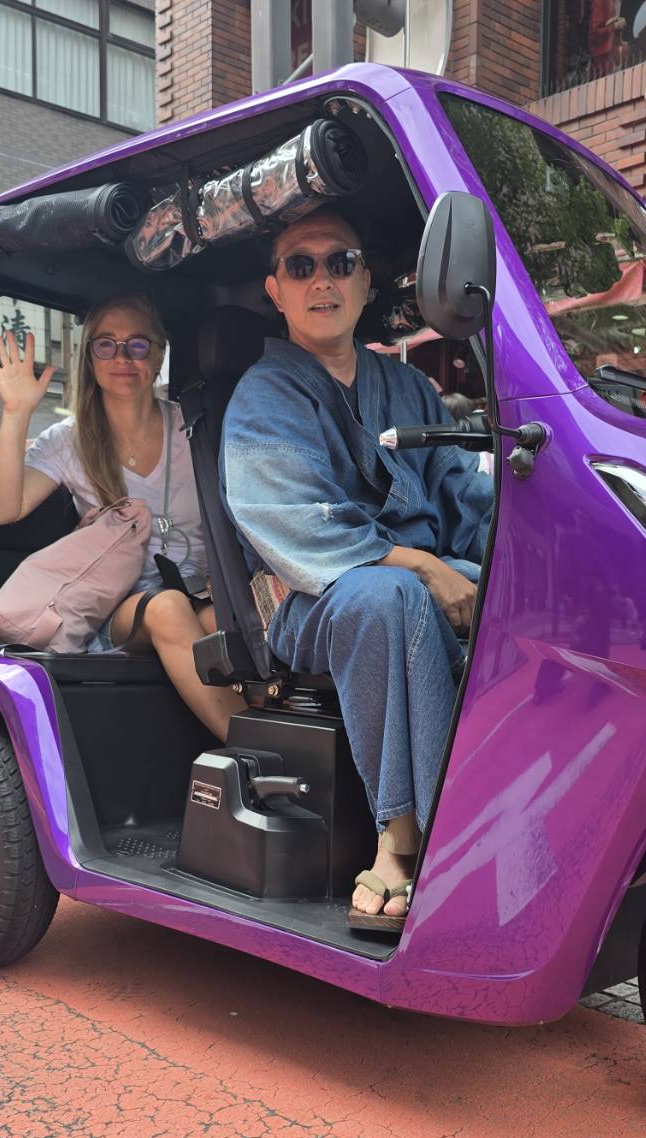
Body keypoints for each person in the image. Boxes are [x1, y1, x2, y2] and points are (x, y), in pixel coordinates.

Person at [221, 210, 493, 930]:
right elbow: (296, 525)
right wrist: (429, 566)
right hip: (314, 596)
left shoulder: (410, 390)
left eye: (340, 262)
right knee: (388, 594)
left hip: (419, 578)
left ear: (366, 281)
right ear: (276, 290)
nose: (323, 280)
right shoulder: (261, 397)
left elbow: (466, 493)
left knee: (520, 595)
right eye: (301, 266)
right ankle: (402, 839)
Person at [0, 293, 244, 741]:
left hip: (203, 588)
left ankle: (285, 745)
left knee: (219, 621)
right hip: (124, 605)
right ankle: (254, 750)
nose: (122, 357)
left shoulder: (193, 428)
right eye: (107, 344)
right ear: (90, 357)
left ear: (159, 354)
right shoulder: (70, 439)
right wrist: (16, 412)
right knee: (167, 608)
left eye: (138, 345)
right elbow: (3, 508)